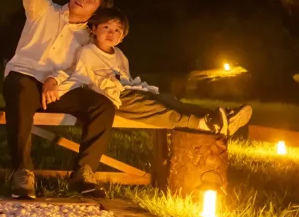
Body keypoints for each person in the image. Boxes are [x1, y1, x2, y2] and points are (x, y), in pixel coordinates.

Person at [4, 0, 115, 199]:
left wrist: (55, 82)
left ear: (97, 11)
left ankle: (84, 173)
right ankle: (22, 171)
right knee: (21, 88)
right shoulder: (45, 9)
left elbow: (78, 71)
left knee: (102, 106)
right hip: (24, 79)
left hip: (56, 90)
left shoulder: (89, 39)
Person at [43, 8, 253, 135]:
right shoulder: (88, 51)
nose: (111, 33)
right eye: (106, 28)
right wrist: (57, 89)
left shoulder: (120, 55)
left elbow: (125, 78)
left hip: (129, 92)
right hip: (113, 98)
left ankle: (216, 117)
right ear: (94, 28)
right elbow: (79, 76)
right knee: (157, 110)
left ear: (122, 37)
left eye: (117, 30)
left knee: (169, 99)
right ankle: (202, 124)